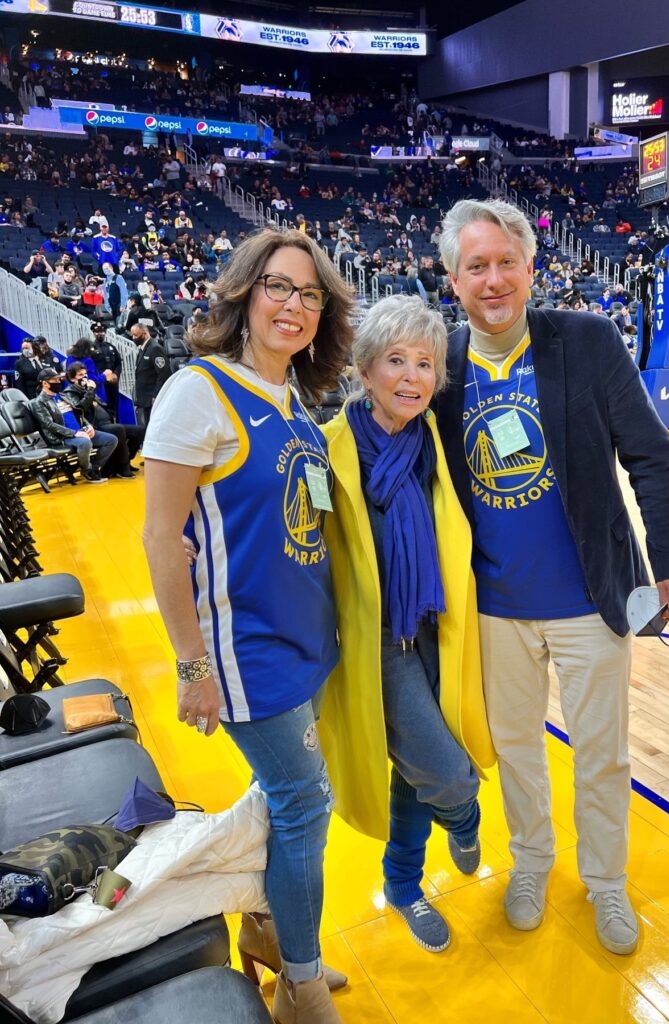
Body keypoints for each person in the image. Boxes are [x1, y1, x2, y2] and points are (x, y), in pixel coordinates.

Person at [434, 199, 669, 956]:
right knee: (515, 748)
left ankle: (606, 880)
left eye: (504, 263)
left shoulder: (585, 340)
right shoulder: (439, 363)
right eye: (475, 267)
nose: (492, 280)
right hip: (491, 605)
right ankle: (531, 863)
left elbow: (652, 455)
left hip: (590, 597)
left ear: (529, 268)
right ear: (451, 280)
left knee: (601, 751)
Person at [141, 229, 354, 1024]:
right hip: (245, 650)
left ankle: (268, 930)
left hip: (305, 642)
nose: (293, 306)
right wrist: (191, 665)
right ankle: (298, 982)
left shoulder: (296, 404)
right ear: (241, 294)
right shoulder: (199, 391)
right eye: (276, 286)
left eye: (309, 295)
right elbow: (163, 538)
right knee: (304, 802)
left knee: (282, 796)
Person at [318, 295, 495, 954]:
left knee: (412, 772)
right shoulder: (330, 448)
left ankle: (401, 884)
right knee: (447, 773)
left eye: (424, 363)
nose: (412, 376)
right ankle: (465, 814)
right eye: (396, 360)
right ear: (365, 371)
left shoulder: (437, 446)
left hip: (441, 626)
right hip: (374, 641)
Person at [29, 368, 117, 484]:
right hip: (63, 437)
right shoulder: (38, 402)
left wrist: (88, 425)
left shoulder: (62, 395)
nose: (59, 382)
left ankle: (93, 468)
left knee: (111, 440)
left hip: (80, 431)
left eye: (59, 379)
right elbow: (50, 425)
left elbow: (78, 412)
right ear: (45, 383)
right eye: (55, 380)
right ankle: (87, 470)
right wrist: (75, 433)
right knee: (85, 443)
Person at [62, 361, 143, 478]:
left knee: (140, 431)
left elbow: (101, 404)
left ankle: (123, 461)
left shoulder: (87, 389)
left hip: (108, 422)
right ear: (72, 378)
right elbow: (80, 408)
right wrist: (90, 390)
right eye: (80, 375)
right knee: (119, 429)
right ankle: (122, 467)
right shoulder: (70, 392)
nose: (84, 377)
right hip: (94, 426)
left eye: (85, 374)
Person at [130, 324, 171, 427]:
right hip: (145, 397)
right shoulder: (143, 348)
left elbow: (163, 373)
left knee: (156, 425)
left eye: (136, 335)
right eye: (132, 335)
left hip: (152, 396)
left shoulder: (155, 348)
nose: (133, 338)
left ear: (145, 334)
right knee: (149, 424)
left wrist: (156, 395)